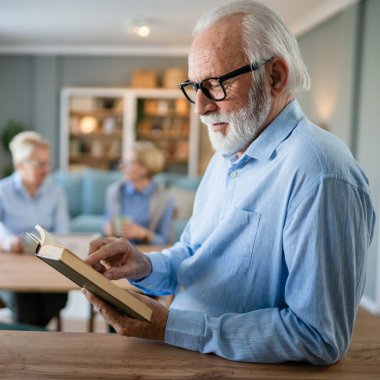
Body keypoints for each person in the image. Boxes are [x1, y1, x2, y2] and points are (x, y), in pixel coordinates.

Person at [82, 1, 376, 365]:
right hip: (186, 358)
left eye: (217, 84)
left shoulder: (320, 173)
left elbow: (317, 335)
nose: (200, 108)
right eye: (194, 87)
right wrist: (143, 265)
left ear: (275, 77)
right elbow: (194, 254)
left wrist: (169, 325)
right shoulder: (227, 155)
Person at [0, 131, 69, 327]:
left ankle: (34, 341)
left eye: (48, 162)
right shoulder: (2, 191)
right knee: (24, 306)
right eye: (40, 164)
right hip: (13, 270)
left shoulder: (56, 191)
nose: (47, 169)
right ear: (20, 165)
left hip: (47, 265)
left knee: (57, 299)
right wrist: (7, 241)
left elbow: (63, 231)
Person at [103, 141, 174, 245]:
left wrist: (144, 234)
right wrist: (108, 229)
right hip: (117, 252)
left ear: (145, 167)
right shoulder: (114, 191)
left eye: (130, 162)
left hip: (146, 255)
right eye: (123, 162)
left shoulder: (164, 198)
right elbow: (106, 223)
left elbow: (166, 241)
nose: (122, 167)